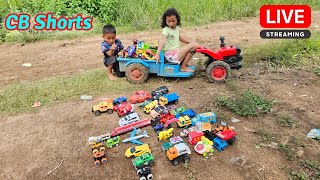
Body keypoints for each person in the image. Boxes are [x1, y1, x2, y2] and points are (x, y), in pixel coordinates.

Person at [154, 8, 199, 72]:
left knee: (194, 46)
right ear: (165, 21)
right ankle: (183, 67)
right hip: (170, 56)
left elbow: (180, 38)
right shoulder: (166, 30)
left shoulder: (177, 28)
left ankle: (183, 64)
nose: (171, 24)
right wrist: (157, 54)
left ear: (177, 19)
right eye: (168, 22)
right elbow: (163, 41)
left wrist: (190, 43)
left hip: (176, 53)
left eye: (173, 21)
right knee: (195, 45)